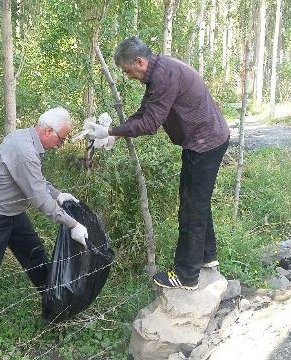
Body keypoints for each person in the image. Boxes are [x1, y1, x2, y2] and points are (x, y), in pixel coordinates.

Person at [87, 37, 230, 291]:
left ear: (139, 62)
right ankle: (207, 256)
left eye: (127, 71)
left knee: (191, 208)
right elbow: (146, 111)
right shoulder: (159, 71)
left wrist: (111, 130)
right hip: (204, 139)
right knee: (197, 201)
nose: (128, 76)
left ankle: (187, 276)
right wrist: (113, 133)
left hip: (205, 143)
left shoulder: (164, 76)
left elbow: (150, 124)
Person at [0, 107, 89, 353]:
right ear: (48, 130)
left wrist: (59, 194)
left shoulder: (28, 141)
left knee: (36, 257)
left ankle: (56, 308)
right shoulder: (24, 150)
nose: (60, 145)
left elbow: (38, 182)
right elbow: (39, 199)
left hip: (11, 211)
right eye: (61, 139)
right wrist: (72, 224)